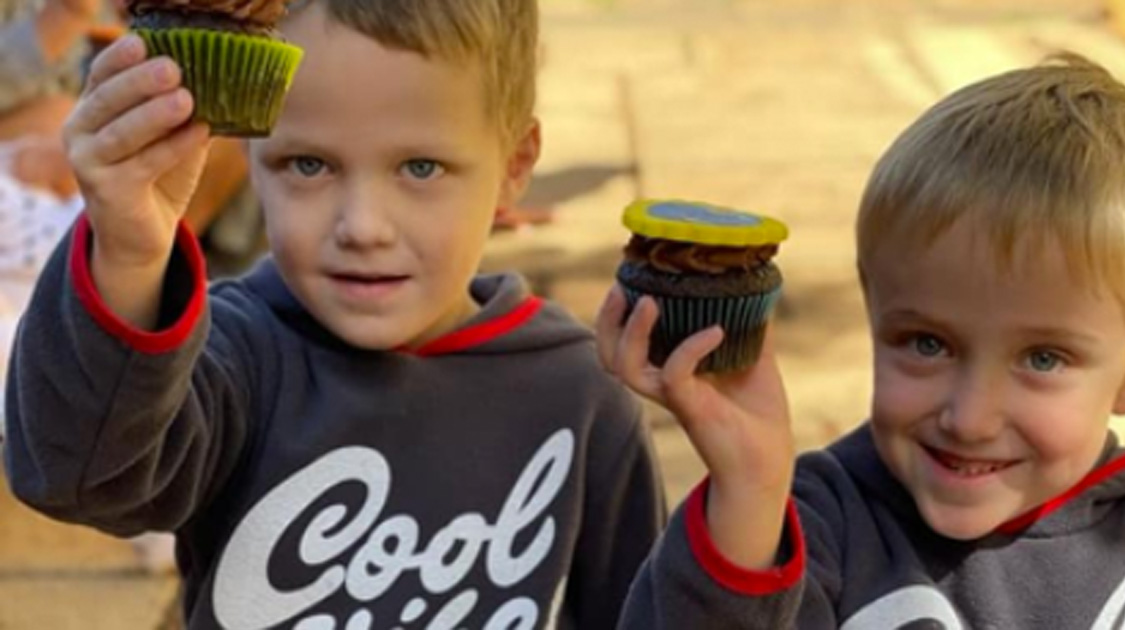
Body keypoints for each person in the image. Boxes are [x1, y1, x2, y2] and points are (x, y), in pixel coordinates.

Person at [3, 0, 665, 627]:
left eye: (421, 167)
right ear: (248, 155)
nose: (363, 227)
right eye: (309, 164)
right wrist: (127, 254)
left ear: (515, 164)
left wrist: (727, 513)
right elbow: (75, 475)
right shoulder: (230, 358)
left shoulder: (581, 397)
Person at [598, 54, 1125, 628]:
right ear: (875, 313)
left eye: (1043, 359)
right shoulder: (811, 525)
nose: (970, 420)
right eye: (927, 344)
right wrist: (748, 491)